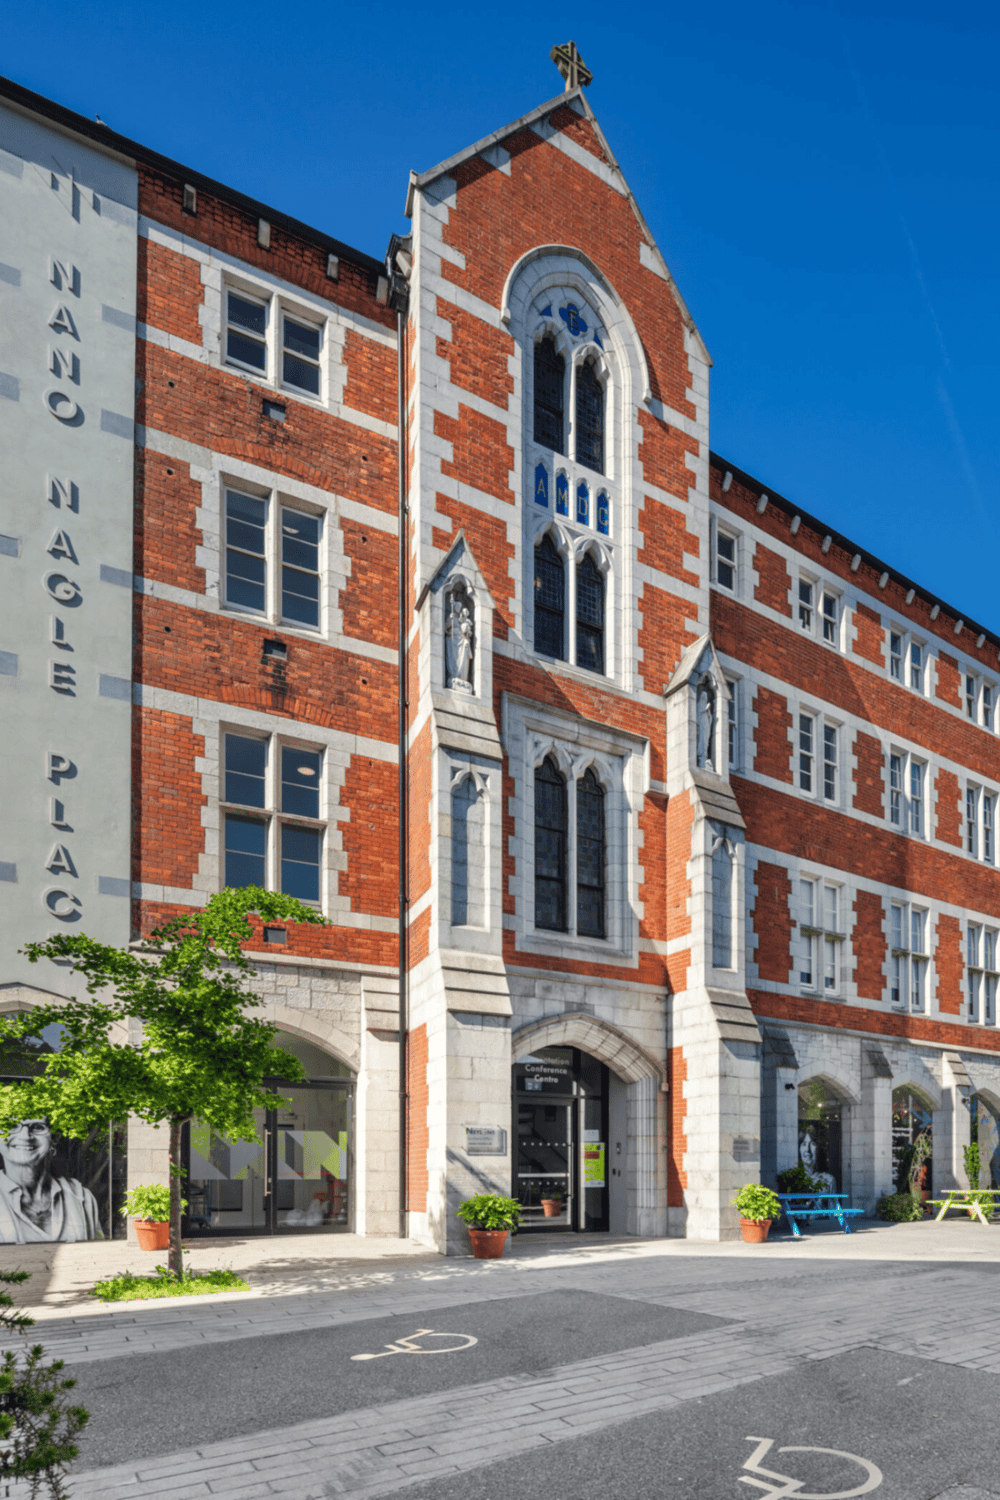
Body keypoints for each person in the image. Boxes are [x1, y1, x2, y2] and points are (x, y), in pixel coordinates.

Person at [0, 1119, 103, 1243]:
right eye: (11, 1126)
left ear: (54, 1138)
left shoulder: (81, 1197)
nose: (25, 1136)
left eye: (38, 1127)